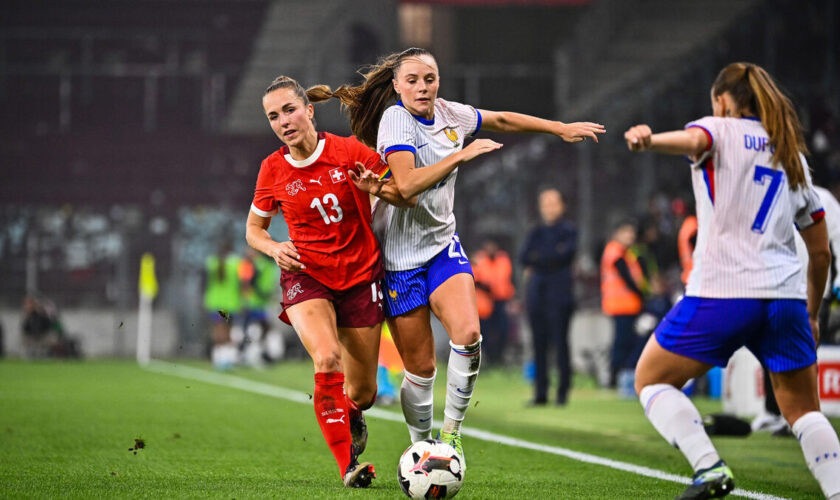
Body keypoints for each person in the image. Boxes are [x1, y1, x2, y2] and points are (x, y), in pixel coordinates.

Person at [309, 46, 605, 463]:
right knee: (422, 370)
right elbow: (408, 186)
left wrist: (558, 128)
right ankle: (420, 449)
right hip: (398, 261)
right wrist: (460, 155)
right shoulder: (396, 120)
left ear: (438, 81)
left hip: (443, 246)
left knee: (468, 336)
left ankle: (450, 438)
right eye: (411, 80)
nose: (421, 86)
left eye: (429, 78)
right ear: (396, 86)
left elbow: (500, 119)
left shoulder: (451, 114)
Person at [624, 62, 840, 499]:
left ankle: (708, 467)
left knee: (650, 379)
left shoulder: (717, 130)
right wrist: (812, 313)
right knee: (803, 412)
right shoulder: (791, 155)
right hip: (785, 299)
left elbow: (694, 140)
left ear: (722, 101)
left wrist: (650, 141)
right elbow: (820, 253)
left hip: (723, 292)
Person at [244, 75, 414, 488]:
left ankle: (351, 415)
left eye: (289, 109)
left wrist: (378, 187)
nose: (283, 121)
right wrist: (273, 249)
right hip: (308, 278)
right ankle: (347, 467)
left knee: (364, 393)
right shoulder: (272, 170)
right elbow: (254, 230)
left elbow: (400, 187)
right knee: (326, 358)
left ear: (309, 110)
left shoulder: (348, 151)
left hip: (359, 277)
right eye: (273, 116)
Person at [520, 187, 577, 406]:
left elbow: (565, 255)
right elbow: (524, 257)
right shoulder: (535, 232)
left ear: (562, 206)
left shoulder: (569, 230)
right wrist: (550, 257)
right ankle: (540, 393)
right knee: (539, 346)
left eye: (553, 203)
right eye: (545, 204)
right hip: (537, 296)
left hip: (560, 296)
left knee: (561, 344)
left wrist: (540, 259)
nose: (549, 208)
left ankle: (562, 393)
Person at [601, 220, 645, 389]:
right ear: (617, 233)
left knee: (625, 342)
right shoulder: (615, 252)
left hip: (628, 306)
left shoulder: (627, 253)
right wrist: (642, 295)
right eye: (627, 232)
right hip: (621, 306)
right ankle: (615, 377)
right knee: (621, 343)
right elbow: (627, 279)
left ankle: (620, 377)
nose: (630, 236)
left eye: (632, 233)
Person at [471, 238, 516, 365]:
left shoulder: (503, 260)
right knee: (484, 331)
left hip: (501, 301)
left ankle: (498, 356)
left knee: (503, 329)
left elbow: (508, 279)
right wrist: (486, 287)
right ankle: (489, 357)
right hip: (484, 303)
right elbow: (474, 279)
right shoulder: (478, 259)